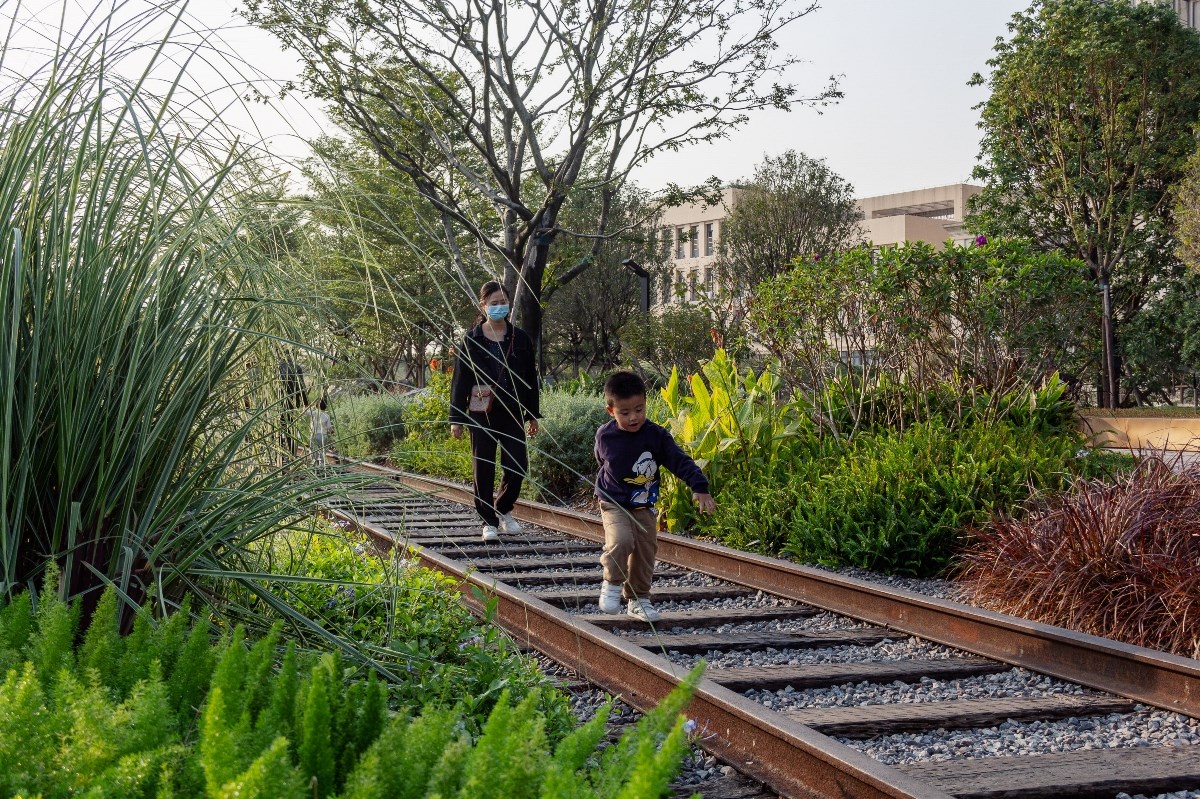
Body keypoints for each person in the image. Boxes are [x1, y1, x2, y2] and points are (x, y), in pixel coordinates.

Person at [593, 371, 715, 621]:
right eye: (624, 413)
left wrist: (699, 485)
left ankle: (638, 599)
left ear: (645, 404)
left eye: (639, 409)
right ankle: (612, 582)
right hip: (613, 501)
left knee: (646, 550)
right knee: (622, 540)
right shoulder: (605, 436)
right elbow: (601, 460)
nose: (633, 417)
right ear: (610, 411)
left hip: (643, 503)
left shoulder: (655, 436)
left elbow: (678, 460)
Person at [449, 281, 540, 542]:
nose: (500, 306)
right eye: (495, 302)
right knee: (483, 467)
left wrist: (532, 414)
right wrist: (456, 419)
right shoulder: (472, 339)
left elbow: (530, 380)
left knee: (517, 465)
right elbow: (460, 381)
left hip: (512, 412)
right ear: (484, 305)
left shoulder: (520, 339)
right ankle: (488, 520)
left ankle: (503, 507)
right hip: (481, 412)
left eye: (504, 302)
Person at [305, 398, 334, 466]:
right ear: (325, 406)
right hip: (323, 436)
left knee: (313, 453)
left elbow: (305, 412)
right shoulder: (327, 416)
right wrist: (332, 432)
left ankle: (313, 466)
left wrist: (311, 406)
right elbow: (329, 428)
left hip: (314, 435)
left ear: (317, 405)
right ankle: (321, 467)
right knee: (322, 453)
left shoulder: (313, 413)